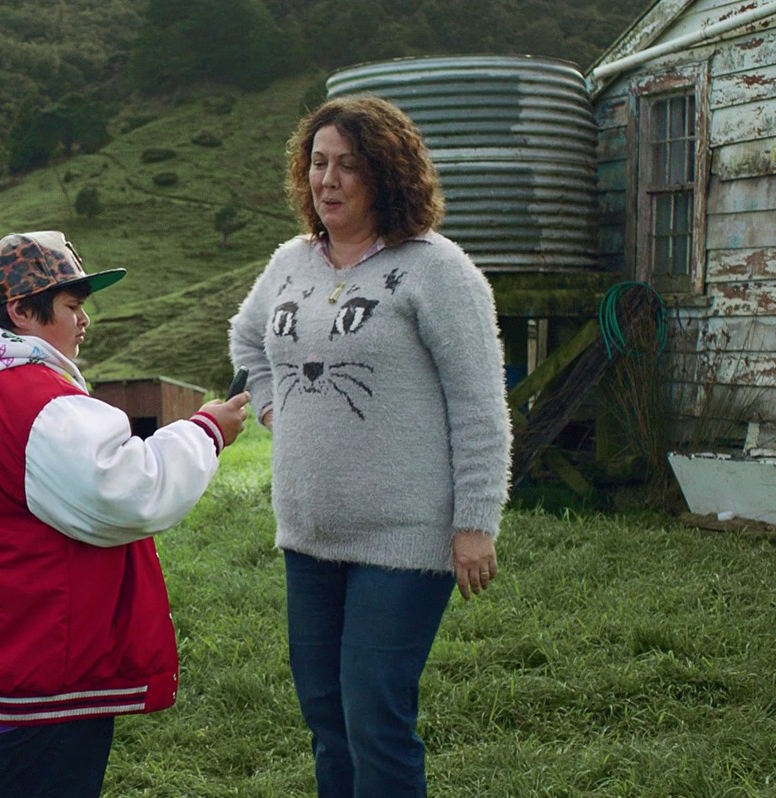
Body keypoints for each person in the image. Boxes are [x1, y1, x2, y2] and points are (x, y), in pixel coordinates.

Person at [227, 95, 511, 797]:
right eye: (318, 164)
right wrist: (273, 406)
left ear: (385, 173)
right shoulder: (291, 262)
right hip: (308, 532)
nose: (328, 181)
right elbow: (245, 340)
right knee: (326, 717)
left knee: (374, 717)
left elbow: (480, 404)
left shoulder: (437, 271)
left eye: (348, 166)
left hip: (403, 537)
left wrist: (476, 522)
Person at [0, 231, 251, 798]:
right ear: (21, 310)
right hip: (45, 670)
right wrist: (207, 431)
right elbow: (130, 490)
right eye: (70, 306)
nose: (83, 321)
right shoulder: (39, 401)